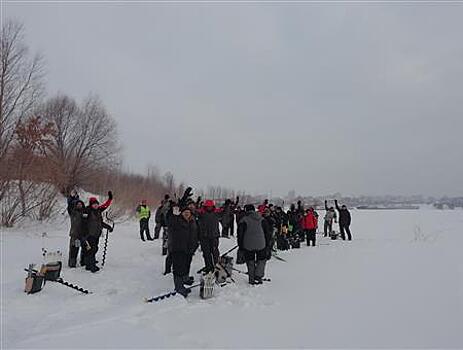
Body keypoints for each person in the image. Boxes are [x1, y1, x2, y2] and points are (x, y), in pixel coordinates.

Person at [167, 204, 199, 297]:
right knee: (178, 269)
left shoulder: (193, 221)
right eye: (185, 212)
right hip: (178, 249)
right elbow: (170, 219)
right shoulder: (176, 220)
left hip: (189, 249)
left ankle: (184, 282)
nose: (186, 214)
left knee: (185, 266)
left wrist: (195, 245)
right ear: (181, 213)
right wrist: (172, 209)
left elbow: (196, 233)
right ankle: (178, 287)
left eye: (188, 213)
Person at [237, 204, 272, 285]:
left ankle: (252, 278)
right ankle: (258, 276)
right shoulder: (262, 219)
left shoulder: (244, 220)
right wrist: (267, 245)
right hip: (261, 243)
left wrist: (241, 246)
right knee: (261, 260)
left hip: (248, 244)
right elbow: (267, 233)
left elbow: (240, 235)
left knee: (250, 261)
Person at [81, 191, 113, 273]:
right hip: (89, 234)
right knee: (92, 249)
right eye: (94, 204)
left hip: (96, 234)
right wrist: (84, 235)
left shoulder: (98, 211)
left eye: (97, 204)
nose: (96, 205)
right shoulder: (87, 211)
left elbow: (105, 206)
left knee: (93, 249)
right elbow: (83, 223)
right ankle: (91, 266)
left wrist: (110, 199)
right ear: (91, 205)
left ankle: (88, 264)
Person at [198, 199, 221, 273]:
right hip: (204, 237)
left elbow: (226, 212)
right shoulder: (201, 213)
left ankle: (216, 267)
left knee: (215, 253)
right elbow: (194, 211)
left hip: (214, 236)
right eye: (207, 206)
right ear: (205, 206)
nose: (209, 208)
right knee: (206, 253)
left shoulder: (217, 213)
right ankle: (208, 267)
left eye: (210, 206)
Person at [67, 198, 87, 268]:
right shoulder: (73, 212)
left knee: (84, 249)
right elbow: (69, 206)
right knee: (74, 249)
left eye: (80, 204)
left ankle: (83, 262)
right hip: (75, 235)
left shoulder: (85, 212)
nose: (79, 205)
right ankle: (72, 263)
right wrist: (71, 198)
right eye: (78, 204)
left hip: (84, 235)